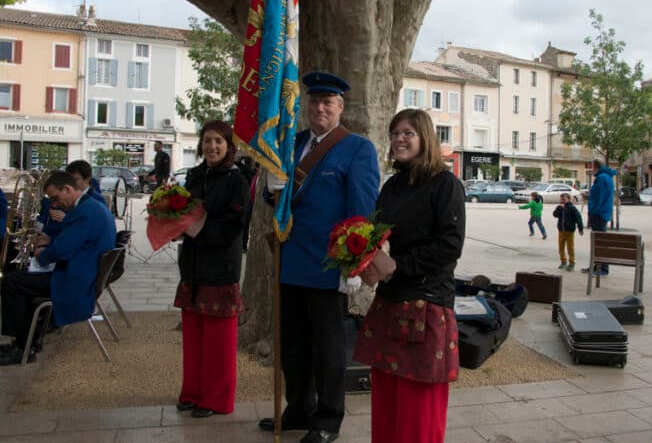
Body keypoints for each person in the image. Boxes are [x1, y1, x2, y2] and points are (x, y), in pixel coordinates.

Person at [258, 72, 379, 443]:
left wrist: (354, 266)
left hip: (328, 266)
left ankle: (328, 419)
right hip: (291, 259)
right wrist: (269, 188)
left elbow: (362, 211)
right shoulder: (292, 143)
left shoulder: (357, 148)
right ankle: (298, 408)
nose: (320, 108)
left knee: (328, 349)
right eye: (314, 101)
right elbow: (278, 203)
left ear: (340, 108)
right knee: (292, 343)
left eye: (328, 102)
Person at [353, 108, 465, 443]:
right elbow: (378, 236)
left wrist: (400, 265)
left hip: (426, 304)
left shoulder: (446, 185)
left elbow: (450, 245)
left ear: (425, 138)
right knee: (387, 395)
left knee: (418, 404)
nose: (399, 139)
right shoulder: (393, 186)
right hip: (389, 301)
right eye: (395, 132)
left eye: (408, 133)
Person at [0, 171, 115, 366]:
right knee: (23, 280)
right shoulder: (92, 207)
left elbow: (62, 250)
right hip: (83, 274)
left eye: (55, 198)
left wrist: (41, 255)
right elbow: (75, 242)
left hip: (74, 281)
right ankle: (29, 342)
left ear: (68, 189)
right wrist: (51, 242)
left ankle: (21, 348)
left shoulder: (85, 212)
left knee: (12, 282)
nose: (53, 204)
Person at [174, 120, 249, 418]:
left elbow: (234, 226)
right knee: (194, 337)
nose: (212, 146)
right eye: (207, 140)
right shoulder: (193, 176)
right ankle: (192, 391)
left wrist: (197, 232)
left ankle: (217, 398)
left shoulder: (237, 180)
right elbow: (181, 211)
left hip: (220, 265)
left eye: (218, 140)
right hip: (191, 265)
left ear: (229, 145)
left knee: (219, 340)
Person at [39, 160, 108, 237]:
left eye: (75, 179)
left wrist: (66, 219)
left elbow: (91, 230)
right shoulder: (68, 198)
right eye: (69, 179)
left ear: (87, 179)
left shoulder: (96, 200)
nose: (70, 183)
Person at [584, 159, 616, 275]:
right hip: (602, 213)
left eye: (592, 167)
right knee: (599, 241)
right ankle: (597, 266)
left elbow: (599, 197)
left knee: (599, 241)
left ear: (596, 167)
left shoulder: (602, 178)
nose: (591, 170)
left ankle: (602, 268)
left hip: (599, 214)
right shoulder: (606, 177)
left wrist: (594, 210)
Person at [553, 193, 584, 271]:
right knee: (561, 247)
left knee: (570, 248)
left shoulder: (572, 208)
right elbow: (555, 215)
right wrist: (559, 209)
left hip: (570, 231)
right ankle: (563, 261)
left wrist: (580, 228)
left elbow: (578, 218)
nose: (562, 201)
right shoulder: (559, 207)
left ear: (569, 199)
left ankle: (571, 263)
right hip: (561, 230)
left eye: (564, 199)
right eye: (561, 199)